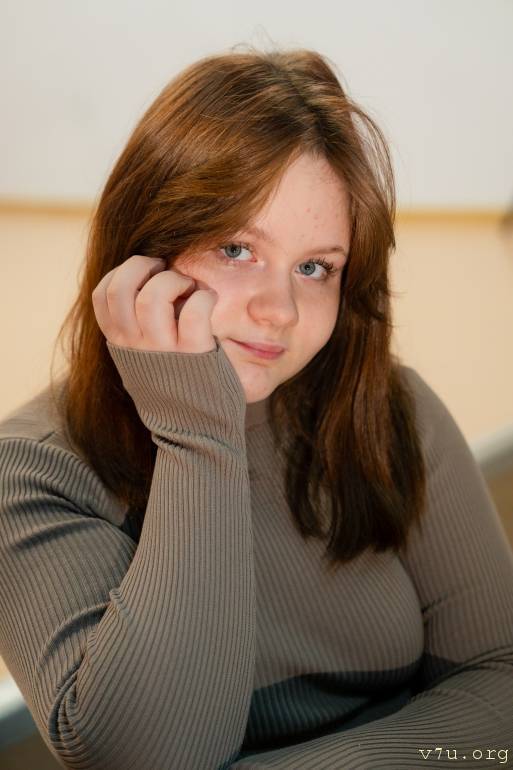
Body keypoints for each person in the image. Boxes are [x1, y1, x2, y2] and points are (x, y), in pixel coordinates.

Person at [0, 45, 512, 770]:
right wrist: (198, 432)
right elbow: (145, 756)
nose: (279, 310)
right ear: (139, 255)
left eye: (315, 267)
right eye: (236, 249)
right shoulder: (32, 471)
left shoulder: (389, 407)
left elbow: (501, 681)